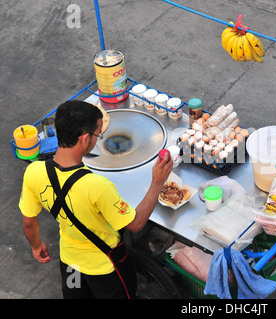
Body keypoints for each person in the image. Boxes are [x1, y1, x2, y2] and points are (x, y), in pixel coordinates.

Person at [19, 100, 173, 298]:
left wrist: (36, 245)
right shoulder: (97, 186)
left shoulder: (34, 171)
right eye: (98, 135)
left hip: (70, 264)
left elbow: (28, 223)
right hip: (105, 269)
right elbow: (136, 224)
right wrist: (157, 182)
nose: (97, 139)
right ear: (84, 139)